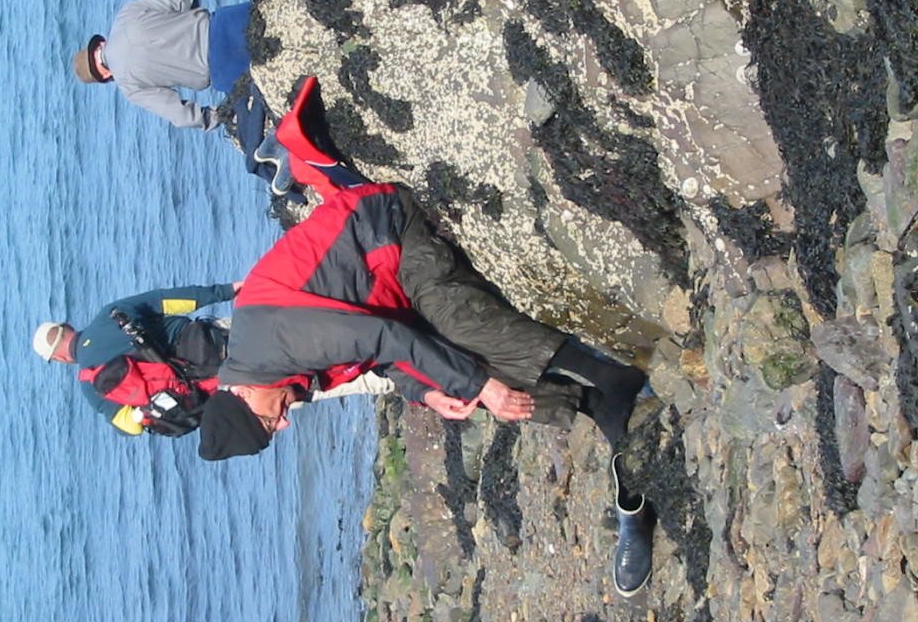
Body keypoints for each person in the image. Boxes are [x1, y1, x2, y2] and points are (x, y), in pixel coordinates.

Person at [197, 180, 657, 596]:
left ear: (239, 394)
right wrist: (427, 392)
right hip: (381, 297)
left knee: (458, 329)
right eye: (272, 429)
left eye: (268, 421)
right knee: (457, 388)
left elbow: (382, 338)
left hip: (388, 233)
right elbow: (375, 356)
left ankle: (607, 376)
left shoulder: (274, 341)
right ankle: (592, 404)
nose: (282, 424)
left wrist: (479, 383)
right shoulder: (272, 373)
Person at [34, 282, 394, 439]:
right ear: (67, 327)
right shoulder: (108, 316)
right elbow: (170, 301)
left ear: (60, 358)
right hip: (221, 342)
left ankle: (394, 377)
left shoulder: (91, 388)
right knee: (311, 332)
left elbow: (132, 425)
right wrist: (225, 290)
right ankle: (384, 323)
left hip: (225, 392)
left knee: (309, 389)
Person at [73, 0, 251, 129]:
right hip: (226, 21)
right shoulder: (126, 14)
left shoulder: (129, 86)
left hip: (225, 70)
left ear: (103, 76)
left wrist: (220, 115)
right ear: (100, 44)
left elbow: (180, 115)